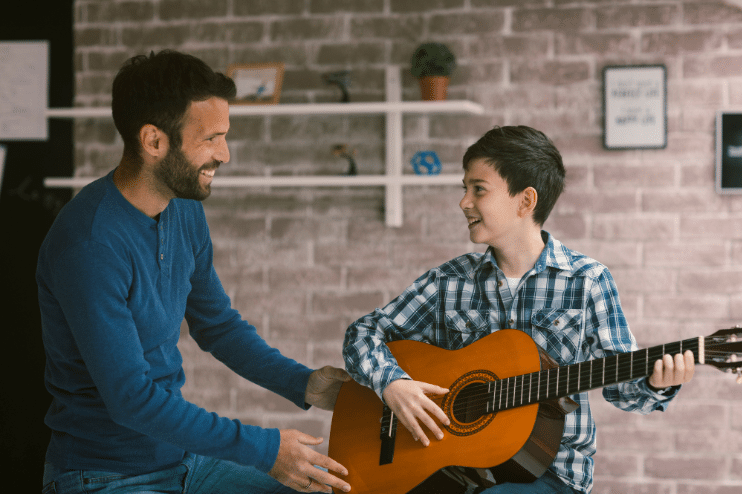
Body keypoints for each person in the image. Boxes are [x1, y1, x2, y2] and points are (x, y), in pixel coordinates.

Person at [37, 50, 352, 494]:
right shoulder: (89, 243)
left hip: (184, 462)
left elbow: (217, 325)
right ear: (154, 141)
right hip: (103, 475)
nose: (224, 154)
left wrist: (301, 383)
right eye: (211, 139)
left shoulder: (183, 210)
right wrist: (265, 449)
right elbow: (132, 400)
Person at [342, 125, 695, 494]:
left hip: (551, 473)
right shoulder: (448, 281)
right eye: (464, 189)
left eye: (478, 189)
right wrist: (392, 384)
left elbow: (623, 393)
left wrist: (657, 384)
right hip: (453, 470)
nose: (464, 202)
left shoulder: (587, 281)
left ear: (525, 202)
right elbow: (363, 334)